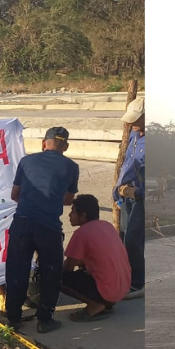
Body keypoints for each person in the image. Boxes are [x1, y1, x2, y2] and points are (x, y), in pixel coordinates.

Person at [6, 127, 79, 333]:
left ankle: (13, 319)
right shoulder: (71, 166)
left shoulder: (26, 161)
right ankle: (45, 320)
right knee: (51, 273)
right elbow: (68, 200)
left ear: (43, 143)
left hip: (22, 223)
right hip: (48, 227)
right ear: (65, 146)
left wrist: (31, 202)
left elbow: (14, 194)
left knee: (16, 270)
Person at [61, 194, 131, 321]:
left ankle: (96, 305)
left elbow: (68, 268)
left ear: (83, 215)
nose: (69, 215)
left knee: (58, 278)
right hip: (121, 289)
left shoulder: (81, 233)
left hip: (107, 291)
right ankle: (106, 303)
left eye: (73, 211)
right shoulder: (107, 226)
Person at [114, 97, 145, 300]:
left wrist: (139, 193)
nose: (131, 123)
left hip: (140, 198)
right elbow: (126, 164)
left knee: (134, 240)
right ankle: (126, 277)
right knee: (124, 237)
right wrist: (118, 190)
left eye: (136, 119)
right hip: (126, 195)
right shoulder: (133, 136)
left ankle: (137, 283)